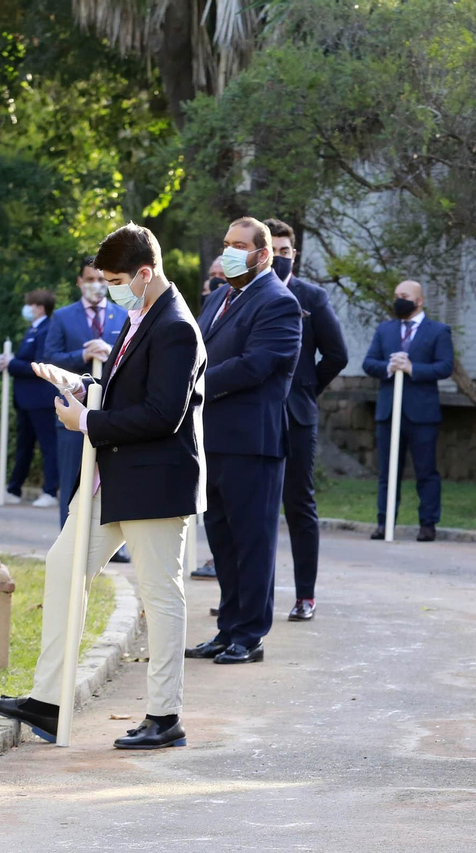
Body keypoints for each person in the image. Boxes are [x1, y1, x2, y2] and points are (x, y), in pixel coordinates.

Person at [0, 222, 206, 750]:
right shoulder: (140, 313)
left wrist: (85, 421)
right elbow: (130, 388)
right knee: (64, 567)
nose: (109, 291)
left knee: (160, 595)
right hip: (114, 476)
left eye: (117, 281)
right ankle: (48, 701)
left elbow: (163, 414)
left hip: (154, 481)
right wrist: (82, 386)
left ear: (145, 273)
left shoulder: (175, 325)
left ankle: (164, 715)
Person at [184, 217, 302, 666]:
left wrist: (192, 387)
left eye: (239, 245)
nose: (229, 252)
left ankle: (250, 636)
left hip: (253, 443)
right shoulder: (219, 297)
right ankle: (227, 629)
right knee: (223, 543)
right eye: (226, 243)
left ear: (263, 254)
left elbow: (255, 365)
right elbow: (195, 349)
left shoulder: (279, 302)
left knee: (252, 543)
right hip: (211, 439)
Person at [270, 218, 348, 620]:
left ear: (294, 254)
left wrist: (304, 389)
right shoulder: (241, 296)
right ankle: (250, 598)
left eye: (285, 251)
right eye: (272, 251)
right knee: (252, 508)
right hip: (251, 417)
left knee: (298, 505)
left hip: (297, 417)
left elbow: (337, 355)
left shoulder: (312, 297)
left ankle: (305, 596)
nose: (279, 257)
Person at [363, 280, 454, 541]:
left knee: (426, 471)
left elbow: (445, 366)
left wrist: (413, 369)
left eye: (404, 296)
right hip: (389, 412)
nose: (398, 300)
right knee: (387, 472)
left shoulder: (438, 331)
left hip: (422, 414)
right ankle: (385, 522)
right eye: (396, 296)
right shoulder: (385, 329)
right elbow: (369, 363)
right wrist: (389, 367)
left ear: (419, 301)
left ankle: (428, 524)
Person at [43, 258, 128, 530]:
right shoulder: (62, 316)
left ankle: (113, 542)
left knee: (113, 481)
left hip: (113, 414)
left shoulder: (124, 315)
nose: (96, 285)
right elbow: (49, 358)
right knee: (71, 480)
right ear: (80, 281)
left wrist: (110, 352)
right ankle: (68, 538)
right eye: (90, 279)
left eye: (101, 280)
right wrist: (82, 355)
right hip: (72, 413)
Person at [0, 290, 61, 507]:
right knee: (24, 446)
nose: (27, 309)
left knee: (48, 446)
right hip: (25, 400)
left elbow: (41, 365)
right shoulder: (33, 329)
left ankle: (50, 492)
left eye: (30, 305)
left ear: (40, 307)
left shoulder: (47, 329)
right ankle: (13, 490)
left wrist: (12, 363)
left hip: (41, 399)